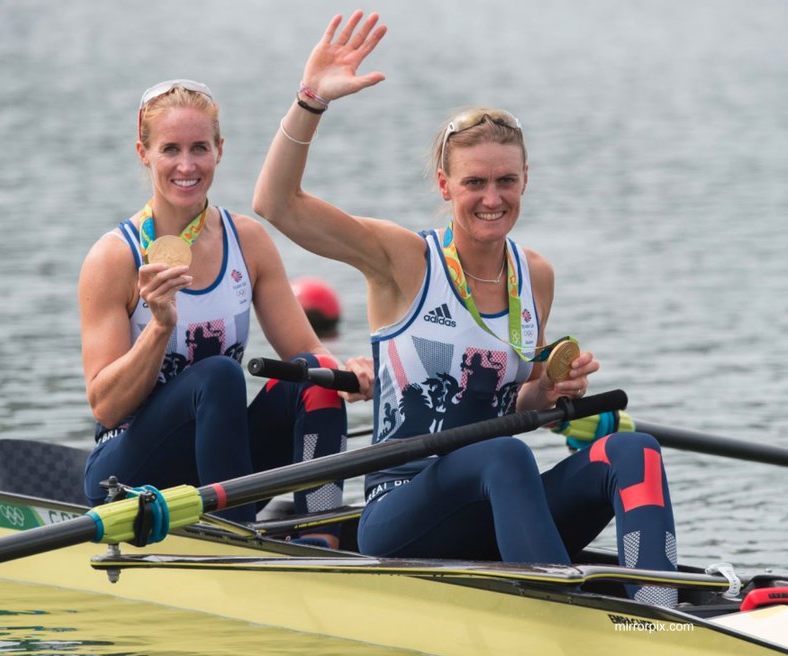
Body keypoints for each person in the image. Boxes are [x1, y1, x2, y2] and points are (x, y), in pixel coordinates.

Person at [253, 12, 678, 605]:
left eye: (506, 181)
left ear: (525, 180)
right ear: (445, 185)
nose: (492, 197)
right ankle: (564, 620)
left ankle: (658, 613)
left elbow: (517, 400)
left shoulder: (536, 276)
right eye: (475, 182)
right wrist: (310, 101)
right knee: (503, 456)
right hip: (402, 514)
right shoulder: (403, 261)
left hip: (501, 504)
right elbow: (276, 204)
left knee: (633, 450)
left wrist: (550, 392)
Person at [78, 80, 374, 545]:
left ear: (220, 150)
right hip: (127, 474)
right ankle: (238, 537)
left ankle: (319, 534)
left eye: (200, 148)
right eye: (170, 149)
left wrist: (350, 370)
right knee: (219, 374)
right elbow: (107, 406)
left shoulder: (248, 241)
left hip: (220, 469)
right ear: (144, 152)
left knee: (315, 374)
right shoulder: (113, 259)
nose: (186, 165)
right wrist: (159, 327)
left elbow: (307, 350)